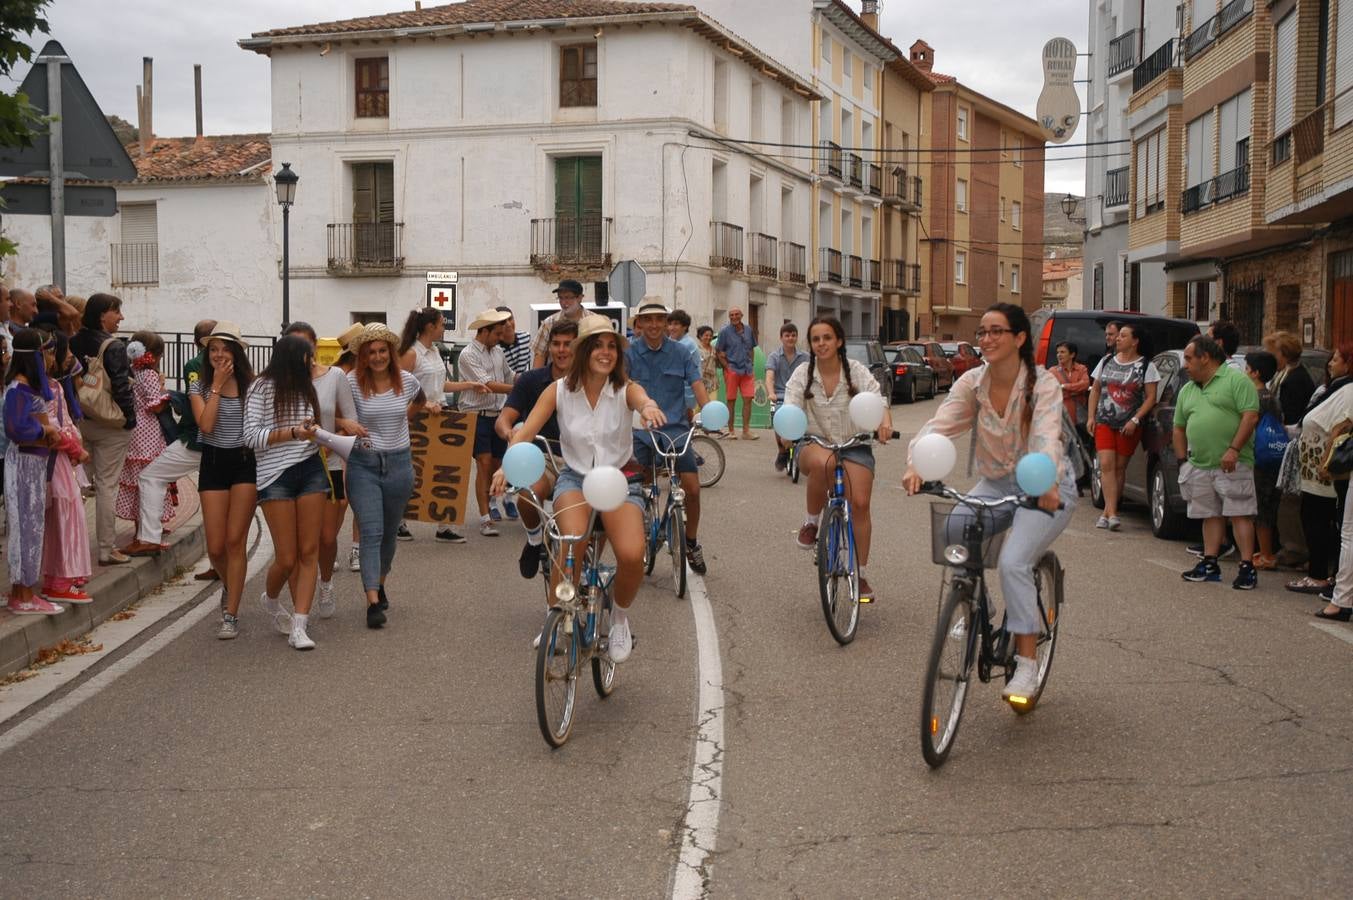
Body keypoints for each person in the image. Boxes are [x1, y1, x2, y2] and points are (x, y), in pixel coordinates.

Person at [904, 303, 1076, 698]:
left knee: (1015, 561)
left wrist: (1046, 479)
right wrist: (916, 464)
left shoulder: (1041, 384)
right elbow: (938, 425)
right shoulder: (972, 383)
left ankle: (1027, 665)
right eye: (982, 332)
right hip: (997, 483)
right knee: (954, 527)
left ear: (1019, 338)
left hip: (1046, 486)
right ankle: (976, 602)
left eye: (997, 331)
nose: (987, 339)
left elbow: (1046, 436)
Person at [492, 314, 664, 660]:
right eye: (597, 345)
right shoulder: (558, 391)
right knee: (570, 545)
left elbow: (643, 399)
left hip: (619, 480)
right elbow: (524, 432)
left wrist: (649, 408)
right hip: (576, 479)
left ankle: (619, 618)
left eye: (611, 346)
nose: (605, 352)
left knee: (632, 555)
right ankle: (555, 617)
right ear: (584, 350)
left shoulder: (623, 389)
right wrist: (505, 467)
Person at [787, 316, 893, 600]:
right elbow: (791, 406)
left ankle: (860, 572)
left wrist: (884, 421)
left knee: (859, 503)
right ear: (810, 344)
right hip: (815, 443)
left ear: (839, 341)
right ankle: (811, 522)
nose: (821, 344)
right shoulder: (802, 373)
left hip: (854, 445)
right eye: (816, 339)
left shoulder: (855, 371)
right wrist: (786, 429)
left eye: (827, 338)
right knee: (825, 462)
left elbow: (878, 398)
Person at [245, 335, 329, 651]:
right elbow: (250, 436)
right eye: (310, 357)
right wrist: (294, 432)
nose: (315, 363)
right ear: (295, 358)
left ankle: (300, 625)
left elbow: (308, 428)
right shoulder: (261, 387)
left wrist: (315, 431)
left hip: (310, 469)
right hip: (274, 476)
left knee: (310, 552)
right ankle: (270, 598)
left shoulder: (307, 387)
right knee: (287, 556)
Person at [345, 323, 424, 629]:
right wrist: (345, 423)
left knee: (390, 534)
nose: (377, 357)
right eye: (371, 352)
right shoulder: (351, 382)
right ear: (363, 356)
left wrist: (406, 418)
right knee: (371, 532)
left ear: (390, 354)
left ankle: (380, 581)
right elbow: (332, 412)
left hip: (400, 465)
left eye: (382, 351)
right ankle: (372, 602)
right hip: (364, 465)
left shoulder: (405, 380)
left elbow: (419, 400)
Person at [627, 298, 712, 575]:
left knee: (693, 489)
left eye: (659, 319)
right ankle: (641, 532)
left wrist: (708, 413)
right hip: (640, 431)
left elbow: (697, 384)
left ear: (667, 323)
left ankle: (691, 543)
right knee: (640, 489)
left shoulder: (681, 352)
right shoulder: (628, 353)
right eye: (647, 319)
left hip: (675, 429)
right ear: (638, 324)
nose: (654, 325)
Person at [285, 322, 361, 619]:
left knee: (327, 538)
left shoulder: (335, 377)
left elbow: (349, 420)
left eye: (305, 344)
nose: (301, 351)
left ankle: (326, 582)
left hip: (328, 466)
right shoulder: (280, 381)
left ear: (315, 346)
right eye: (293, 345)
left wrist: (330, 439)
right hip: (291, 466)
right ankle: (299, 606)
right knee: (297, 541)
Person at [123, 320, 216, 560]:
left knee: (150, 477)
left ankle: (149, 538)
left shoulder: (196, 366)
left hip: (198, 439)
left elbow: (198, 412)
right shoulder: (237, 369)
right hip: (225, 444)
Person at [1175, 335, 1261, 590]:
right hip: (1199, 464)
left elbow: (1250, 416)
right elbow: (1179, 428)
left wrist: (1234, 449)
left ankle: (1247, 567)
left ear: (1206, 358)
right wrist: (1183, 461)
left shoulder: (1236, 381)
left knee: (1239, 513)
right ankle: (1210, 562)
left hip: (1232, 463)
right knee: (1209, 514)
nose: (1185, 365)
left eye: (1189, 359)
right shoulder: (1188, 389)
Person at [395, 307, 486, 543]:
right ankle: (399, 521)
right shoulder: (410, 354)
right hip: (418, 419)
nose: (444, 328)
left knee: (445, 470)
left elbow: (441, 385)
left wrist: (469, 385)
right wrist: (425, 406)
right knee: (413, 470)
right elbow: (399, 391)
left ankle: (444, 524)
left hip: (440, 415)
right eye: (441, 324)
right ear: (429, 327)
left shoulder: (434, 351)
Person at [191, 322, 257, 640]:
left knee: (235, 541)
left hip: (245, 463)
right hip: (213, 462)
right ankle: (231, 583)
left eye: (225, 348)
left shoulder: (251, 385)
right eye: (213, 349)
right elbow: (206, 425)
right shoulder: (199, 386)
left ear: (236, 352)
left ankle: (231, 613)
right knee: (216, 547)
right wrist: (216, 385)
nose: (218, 354)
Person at [496, 318, 576, 581]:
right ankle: (533, 541)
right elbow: (504, 418)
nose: (562, 350)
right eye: (556, 344)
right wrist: (510, 432)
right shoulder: (531, 380)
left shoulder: (591, 381)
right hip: (541, 456)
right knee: (528, 495)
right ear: (549, 347)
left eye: (568, 344)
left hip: (581, 459)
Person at [71, 293, 136, 566]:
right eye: (116, 311)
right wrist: (129, 419)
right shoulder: (113, 346)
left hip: (83, 420)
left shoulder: (73, 341)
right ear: (102, 315)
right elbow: (121, 387)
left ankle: (70, 549)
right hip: (111, 425)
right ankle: (106, 549)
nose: (121, 317)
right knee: (107, 486)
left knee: (77, 487)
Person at [1284, 344, 1353, 594]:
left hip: (1327, 470)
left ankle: (1321, 575)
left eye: (1335, 359)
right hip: (1315, 471)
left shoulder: (1349, 390)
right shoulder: (1335, 388)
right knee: (1314, 518)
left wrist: (1325, 461)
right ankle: (1323, 573)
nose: (1330, 364)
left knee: (1321, 522)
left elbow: (1342, 428)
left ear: (1348, 364)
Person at [4, 327, 63, 614]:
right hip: (24, 464)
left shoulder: (24, 387)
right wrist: (46, 428)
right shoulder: (18, 388)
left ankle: (23, 590)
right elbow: (16, 428)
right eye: (45, 352)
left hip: (33, 462)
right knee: (26, 527)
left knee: (30, 526)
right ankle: (24, 594)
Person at [34, 318, 92, 603]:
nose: (71, 357)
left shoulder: (54, 385)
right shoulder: (43, 389)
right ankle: (57, 579)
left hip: (60, 460)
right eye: (64, 351)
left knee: (68, 516)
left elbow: (64, 421)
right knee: (62, 518)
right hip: (53, 460)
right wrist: (74, 448)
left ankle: (67, 575)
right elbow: (55, 427)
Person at [1087, 322, 1158, 530]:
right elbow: (1096, 390)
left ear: (1135, 341)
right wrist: (1092, 416)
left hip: (1128, 425)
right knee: (1106, 465)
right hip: (1105, 421)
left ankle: (1108, 511)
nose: (1118, 339)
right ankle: (1111, 512)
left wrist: (1135, 420)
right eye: (1118, 336)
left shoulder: (1146, 366)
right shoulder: (1107, 361)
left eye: (1123, 336)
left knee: (1119, 468)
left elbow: (1151, 397)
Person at [458, 308, 515, 537]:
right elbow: (489, 384)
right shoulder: (468, 354)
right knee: (483, 463)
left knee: (496, 465)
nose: (501, 338)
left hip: (497, 415)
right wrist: (518, 389)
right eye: (497, 334)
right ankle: (485, 518)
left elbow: (510, 376)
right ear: (484, 331)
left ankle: (490, 505)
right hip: (476, 415)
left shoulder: (498, 352)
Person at [114, 332, 176, 534]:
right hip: (148, 430)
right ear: (154, 354)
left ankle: (144, 524)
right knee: (151, 478)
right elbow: (155, 405)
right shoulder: (149, 374)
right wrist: (165, 393)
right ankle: (148, 526)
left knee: (138, 479)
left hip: (135, 430)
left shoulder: (133, 371)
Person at [1244, 351, 1283, 570]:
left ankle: (1267, 554)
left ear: (1256, 373)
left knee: (1260, 507)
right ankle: (1265, 550)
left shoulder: (1256, 397)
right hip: (1273, 454)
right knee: (1266, 505)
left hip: (1259, 455)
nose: (1245, 371)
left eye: (1247, 368)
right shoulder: (1272, 396)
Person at [764, 322, 808, 472]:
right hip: (781, 396)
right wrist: (771, 393)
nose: (790, 338)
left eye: (793, 335)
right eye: (787, 335)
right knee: (778, 418)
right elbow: (769, 377)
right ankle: (782, 450)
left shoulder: (805, 357)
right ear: (781, 338)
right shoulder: (774, 356)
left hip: (800, 396)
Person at [716, 306, 758, 439]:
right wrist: (727, 367)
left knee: (748, 400)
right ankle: (731, 431)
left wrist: (751, 363)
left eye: (736, 314)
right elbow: (718, 351)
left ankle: (746, 431)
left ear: (741, 315)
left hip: (747, 370)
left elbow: (752, 348)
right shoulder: (724, 332)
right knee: (731, 401)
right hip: (732, 370)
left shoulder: (748, 329)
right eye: (731, 315)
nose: (734, 317)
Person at [531, 279, 587, 368]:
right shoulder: (549, 323)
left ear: (580, 298)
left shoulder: (593, 321)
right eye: (561, 298)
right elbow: (540, 355)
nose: (564, 302)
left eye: (568, 297)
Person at [1264, 330, 1315, 426]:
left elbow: (1290, 416)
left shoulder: (1294, 380)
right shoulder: (1283, 374)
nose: (1271, 359)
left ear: (1285, 355)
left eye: (1274, 354)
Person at [1049, 340, 1090, 444]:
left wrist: (1064, 386)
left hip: (1079, 416)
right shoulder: (1052, 371)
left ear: (1072, 354)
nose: (1059, 355)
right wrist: (1077, 389)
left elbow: (1085, 384)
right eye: (1058, 352)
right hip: (1061, 416)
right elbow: (1053, 390)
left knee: (1081, 445)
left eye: (1062, 352)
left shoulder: (1081, 369)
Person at [498, 306, 533, 377]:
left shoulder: (527, 338)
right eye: (503, 322)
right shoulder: (495, 349)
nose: (508, 324)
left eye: (510, 319)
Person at [696, 325, 720, 412]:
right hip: (699, 383)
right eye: (706, 335)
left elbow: (718, 364)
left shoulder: (715, 350)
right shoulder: (696, 349)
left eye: (710, 335)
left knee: (711, 408)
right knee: (697, 409)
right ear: (700, 336)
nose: (709, 337)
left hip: (712, 383)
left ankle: (711, 425)